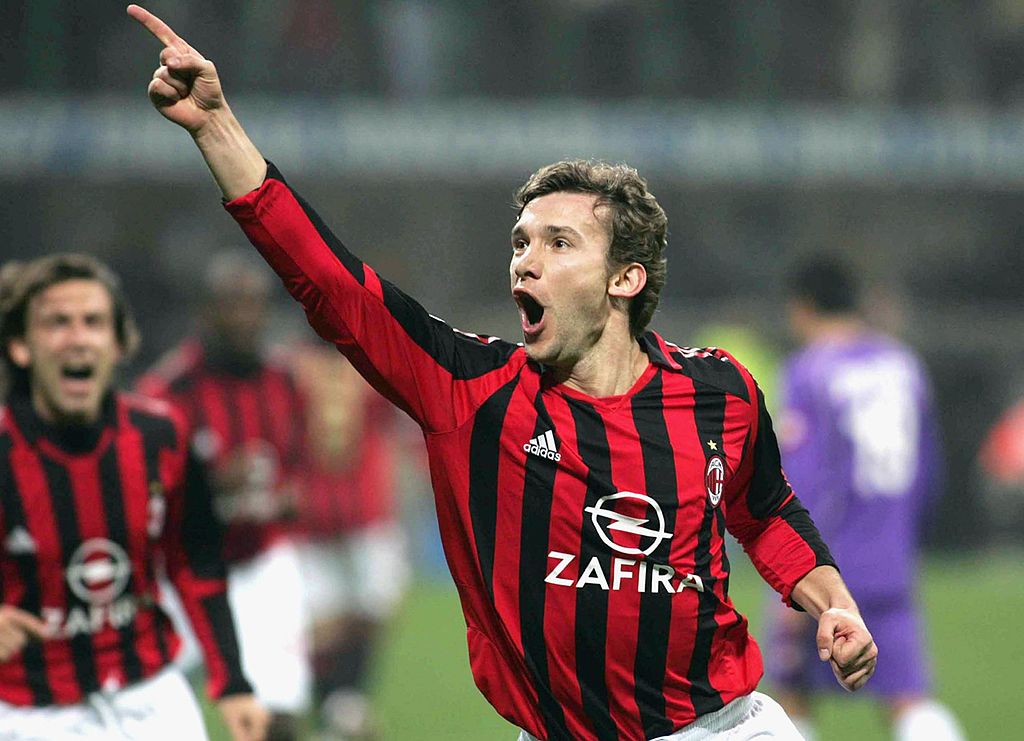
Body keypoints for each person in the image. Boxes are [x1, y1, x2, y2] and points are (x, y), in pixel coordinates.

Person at [127, 6, 878, 739]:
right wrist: (217, 128)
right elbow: (333, 285)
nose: (526, 258)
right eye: (521, 241)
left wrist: (830, 600)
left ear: (625, 278)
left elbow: (765, 508)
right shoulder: (473, 391)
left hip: (724, 728)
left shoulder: (720, 392)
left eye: (558, 242)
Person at [0, 254, 267, 741]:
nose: (77, 337)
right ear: (21, 346)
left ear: (119, 343)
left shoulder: (161, 436)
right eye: (57, 322)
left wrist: (232, 683)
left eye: (93, 322)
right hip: (30, 714)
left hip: (152, 701)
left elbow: (197, 562)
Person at [763, 257, 965, 740]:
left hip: (826, 567)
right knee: (907, 699)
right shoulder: (903, 364)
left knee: (791, 701)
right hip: (890, 559)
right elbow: (928, 472)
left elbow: (802, 482)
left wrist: (791, 572)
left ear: (803, 307)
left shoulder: (809, 371)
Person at [137, 250, 311, 741]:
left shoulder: (284, 379)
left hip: (262, 565)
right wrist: (207, 488)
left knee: (276, 718)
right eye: (230, 304)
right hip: (183, 574)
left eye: (252, 303)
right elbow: (140, 496)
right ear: (205, 311)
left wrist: (288, 496)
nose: (243, 316)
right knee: (157, 715)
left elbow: (296, 466)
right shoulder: (167, 391)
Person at [291, 342, 414, 740]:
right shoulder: (291, 370)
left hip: (362, 513)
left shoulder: (297, 367)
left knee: (373, 606)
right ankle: (338, 707)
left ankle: (339, 705)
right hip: (316, 514)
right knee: (319, 621)